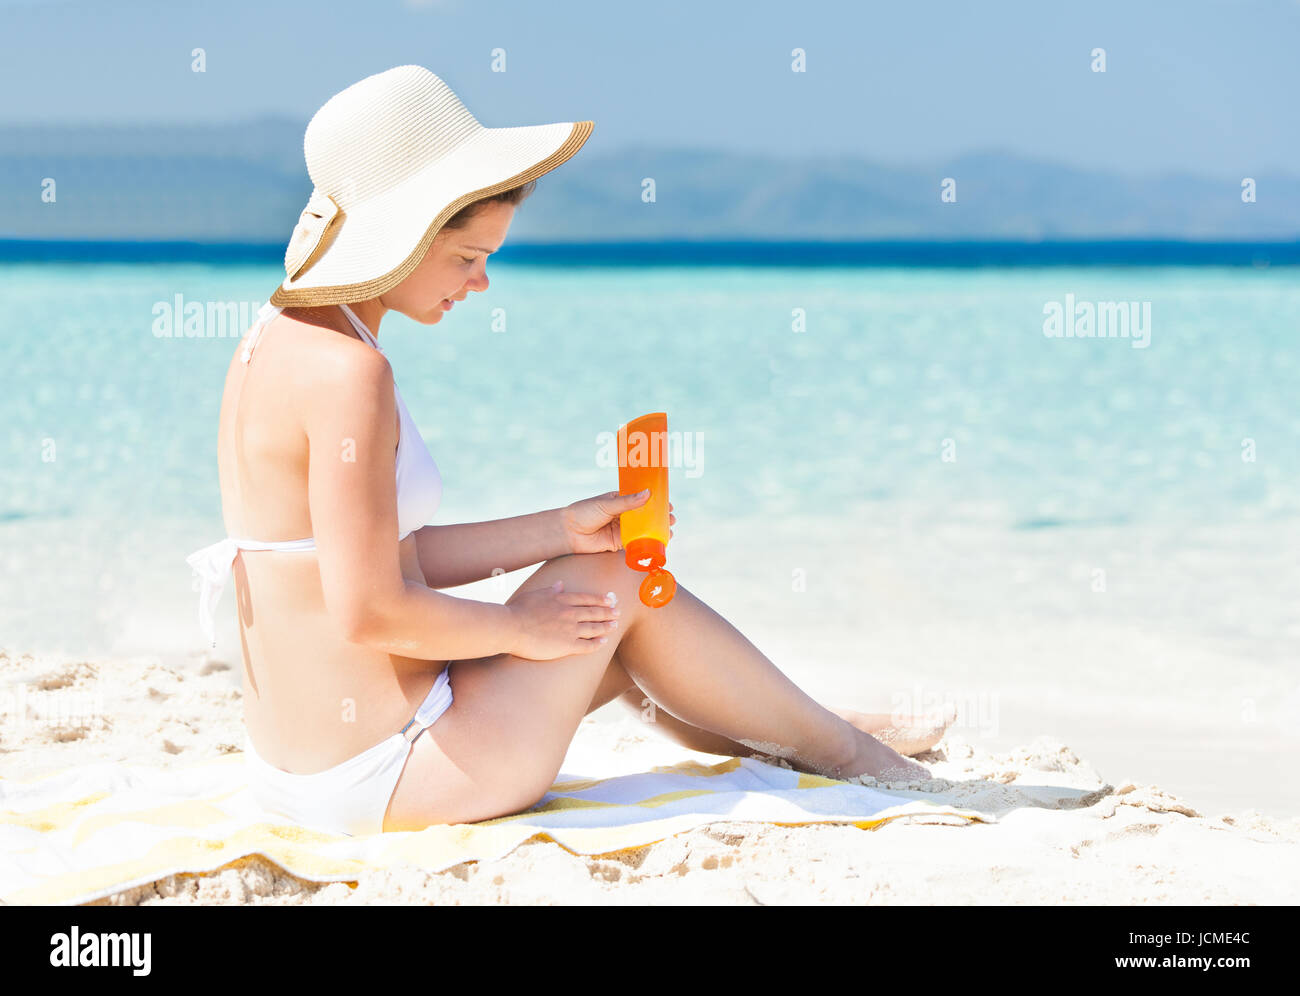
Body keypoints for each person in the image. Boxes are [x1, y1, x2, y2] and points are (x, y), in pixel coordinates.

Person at [186, 65, 946, 838]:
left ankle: (806, 735)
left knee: (606, 609)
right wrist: (520, 630)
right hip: (386, 774)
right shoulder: (353, 373)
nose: (481, 283)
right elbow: (370, 610)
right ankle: (846, 750)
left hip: (303, 773)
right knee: (618, 589)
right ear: (405, 234)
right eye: (465, 258)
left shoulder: (274, 341)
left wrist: (560, 529)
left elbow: (384, 559)